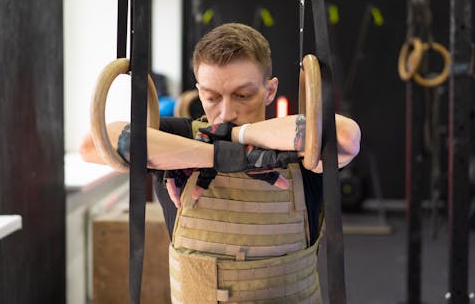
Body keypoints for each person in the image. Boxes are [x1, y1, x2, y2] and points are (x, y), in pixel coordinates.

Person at [80, 23, 361, 303]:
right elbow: (92, 145)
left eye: (243, 95)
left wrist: (239, 135)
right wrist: (217, 156)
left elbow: (346, 138)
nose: (226, 112)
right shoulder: (178, 140)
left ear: (270, 90)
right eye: (212, 97)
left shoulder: (297, 150)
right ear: (198, 90)